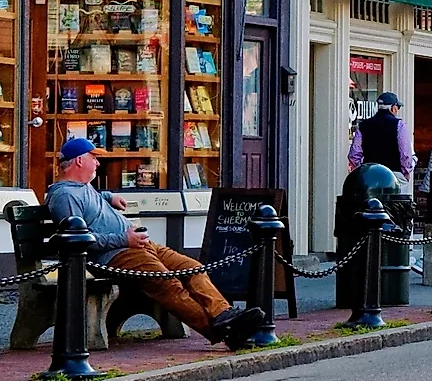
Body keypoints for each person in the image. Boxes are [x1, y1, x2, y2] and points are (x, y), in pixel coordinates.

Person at [45, 137, 267, 348]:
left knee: (193, 268)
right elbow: (78, 241)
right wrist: (124, 239)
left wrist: (108, 197)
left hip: (137, 245)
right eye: (93, 157)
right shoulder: (64, 196)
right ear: (79, 161)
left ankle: (223, 314)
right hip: (115, 254)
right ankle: (224, 331)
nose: (98, 162)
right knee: (168, 283)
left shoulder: (83, 187)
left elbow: (93, 201)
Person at [349, 90, 417, 181]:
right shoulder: (399, 125)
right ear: (393, 108)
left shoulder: (363, 125)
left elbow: (354, 155)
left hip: (370, 176)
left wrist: (363, 171)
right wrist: (405, 173)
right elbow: (405, 155)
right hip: (394, 176)